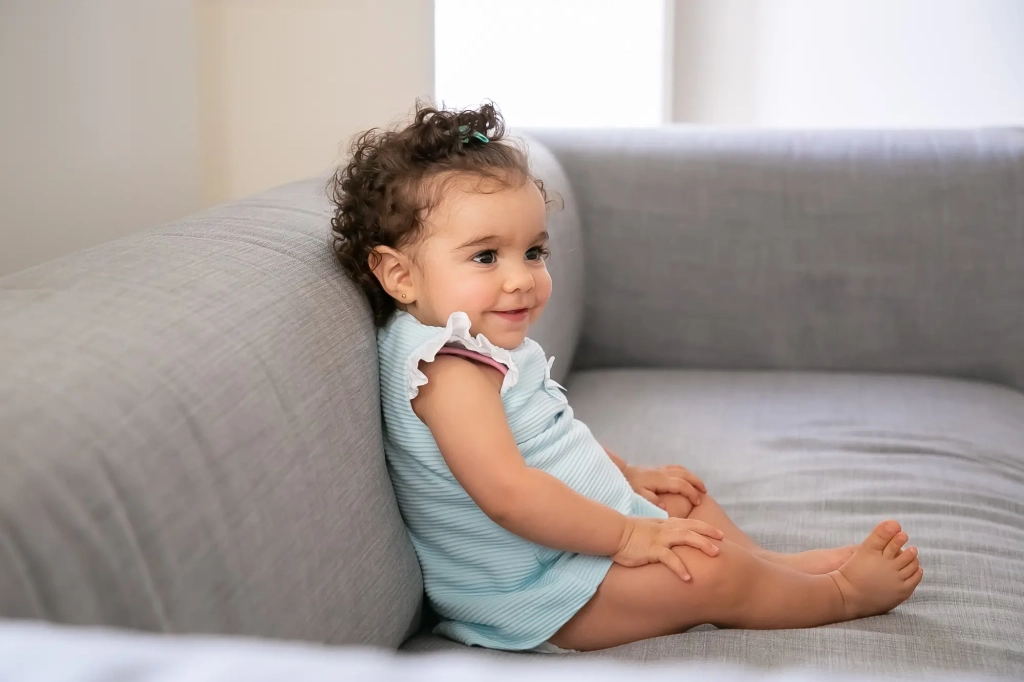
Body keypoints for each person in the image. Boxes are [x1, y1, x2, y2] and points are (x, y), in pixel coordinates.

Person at [329, 102, 923, 653]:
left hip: (571, 553)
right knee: (705, 571)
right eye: (486, 257)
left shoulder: (477, 344)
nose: (521, 279)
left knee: (676, 497)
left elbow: (553, 439)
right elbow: (510, 497)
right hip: (538, 597)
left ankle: (776, 568)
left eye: (533, 252)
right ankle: (839, 595)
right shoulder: (449, 371)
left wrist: (630, 477)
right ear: (399, 275)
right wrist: (628, 537)